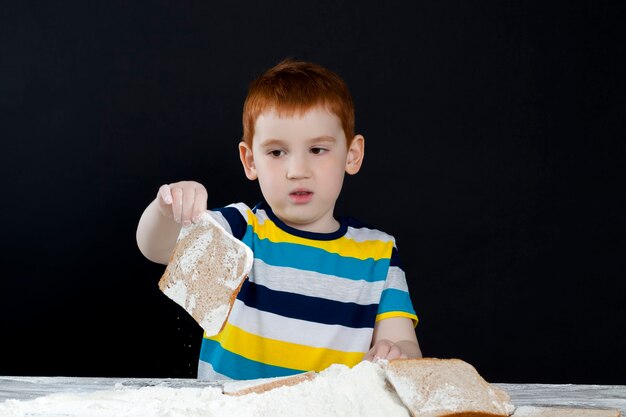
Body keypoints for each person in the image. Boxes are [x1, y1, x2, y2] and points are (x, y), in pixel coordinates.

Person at [136, 59, 422, 381]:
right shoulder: (240, 230)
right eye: (276, 153)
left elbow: (403, 344)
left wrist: (395, 355)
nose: (297, 170)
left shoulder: (378, 256)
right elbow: (156, 248)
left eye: (317, 149)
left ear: (352, 155)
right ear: (250, 160)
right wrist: (167, 209)